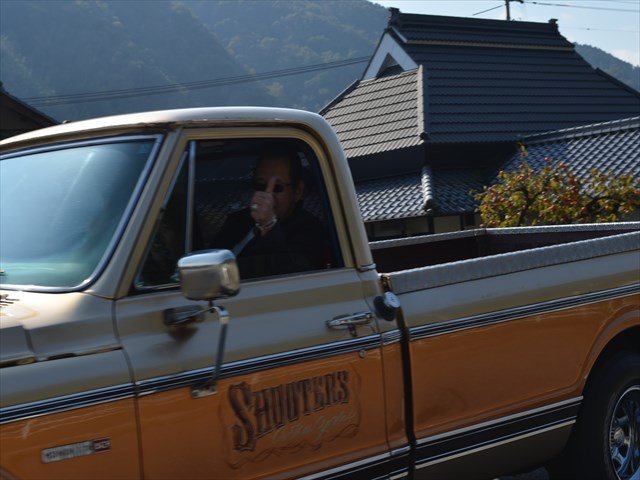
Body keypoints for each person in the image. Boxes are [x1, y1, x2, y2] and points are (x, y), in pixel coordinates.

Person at [212, 150, 327, 279]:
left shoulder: (309, 228)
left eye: (277, 187)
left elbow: (294, 271)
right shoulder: (239, 220)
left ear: (297, 191)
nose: (267, 195)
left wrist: (268, 225)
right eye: (260, 185)